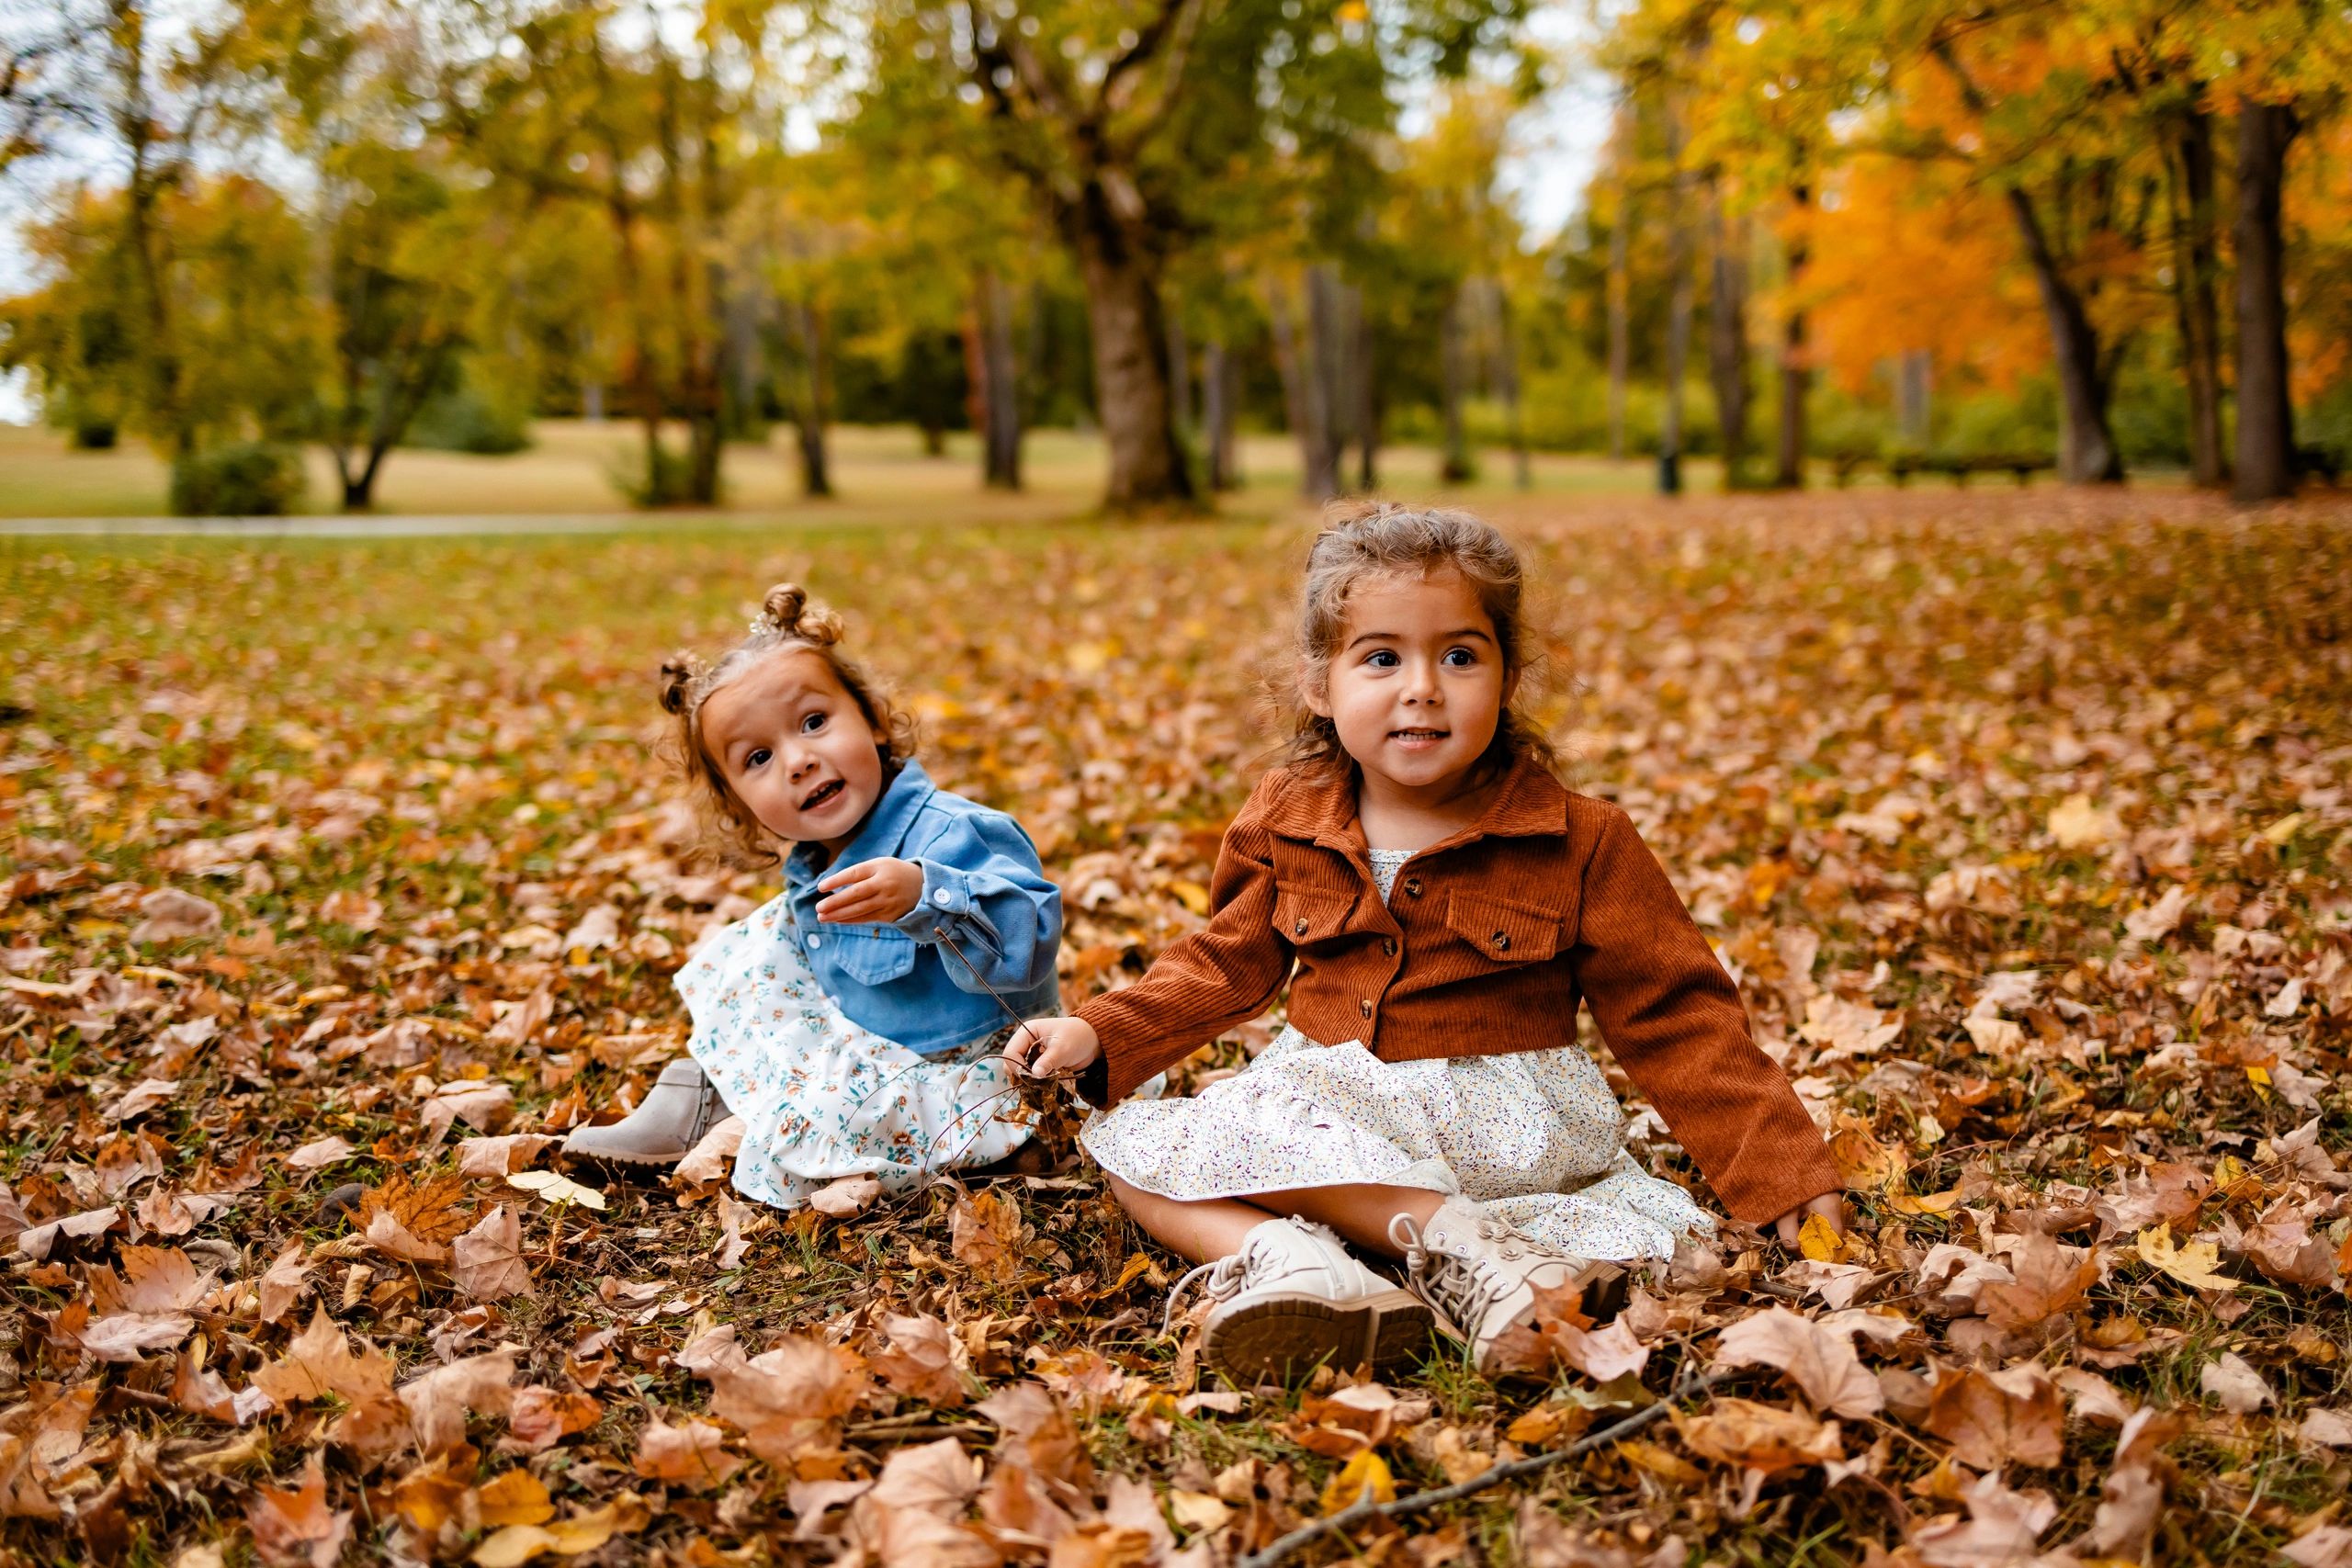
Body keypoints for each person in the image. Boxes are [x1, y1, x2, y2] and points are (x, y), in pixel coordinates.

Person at [1007, 504, 1843, 1383]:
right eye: (1381, 657)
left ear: (1508, 676)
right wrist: (1102, 1032)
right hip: (1337, 1097)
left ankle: (1465, 1250)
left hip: (1501, 1124)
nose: (1422, 687)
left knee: (1209, 1148)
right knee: (1134, 1150)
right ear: (1319, 685)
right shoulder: (1289, 817)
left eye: (1458, 655)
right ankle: (1297, 1265)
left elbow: (1677, 1014)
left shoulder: (1579, 838)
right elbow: (1224, 963)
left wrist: (1780, 1167)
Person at [564, 583, 1062, 1209]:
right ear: (736, 801)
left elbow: (1030, 944)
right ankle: (715, 1086)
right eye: (759, 757)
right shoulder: (815, 862)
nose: (798, 760)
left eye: (814, 722)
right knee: (754, 946)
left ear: (874, 718)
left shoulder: (950, 832)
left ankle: (751, 1109)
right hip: (868, 1040)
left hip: (966, 1068)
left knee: (827, 1107)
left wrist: (926, 892)